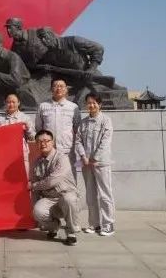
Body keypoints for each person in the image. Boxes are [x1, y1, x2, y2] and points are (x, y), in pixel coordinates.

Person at [30, 129, 80, 246]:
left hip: (65, 195)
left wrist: (34, 185)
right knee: (37, 211)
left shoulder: (62, 158)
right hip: (49, 198)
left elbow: (53, 180)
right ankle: (54, 226)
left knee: (69, 199)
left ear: (52, 142)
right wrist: (35, 210)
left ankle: (71, 232)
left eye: (46, 141)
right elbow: (36, 190)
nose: (43, 144)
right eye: (39, 141)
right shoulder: (37, 163)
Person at [76, 93, 115, 237]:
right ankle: (94, 224)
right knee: (90, 195)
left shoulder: (106, 120)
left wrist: (94, 157)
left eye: (94, 103)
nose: (91, 105)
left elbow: (105, 142)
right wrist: (83, 156)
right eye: (89, 103)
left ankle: (108, 224)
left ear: (100, 104)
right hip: (87, 164)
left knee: (105, 194)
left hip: (101, 163)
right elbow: (78, 141)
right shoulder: (83, 122)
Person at [35, 78, 81, 179]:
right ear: (51, 89)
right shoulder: (43, 106)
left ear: (66, 89)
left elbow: (78, 129)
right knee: (48, 179)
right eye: (55, 86)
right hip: (49, 151)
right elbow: (39, 128)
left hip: (67, 150)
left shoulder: (73, 107)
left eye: (61, 86)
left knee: (69, 179)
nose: (58, 88)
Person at [0, 92, 35, 175]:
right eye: (8, 102)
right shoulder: (0, 119)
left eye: (13, 102)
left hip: (21, 153)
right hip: (4, 153)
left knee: (23, 176)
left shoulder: (25, 118)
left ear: (18, 103)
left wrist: (28, 128)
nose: (11, 104)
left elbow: (32, 137)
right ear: (5, 103)